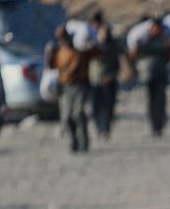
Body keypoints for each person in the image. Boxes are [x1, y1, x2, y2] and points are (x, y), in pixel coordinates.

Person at [48, 25, 93, 153]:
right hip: (65, 87)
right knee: (67, 117)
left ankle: (84, 142)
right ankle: (74, 141)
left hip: (79, 85)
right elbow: (52, 66)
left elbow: (75, 66)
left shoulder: (75, 50)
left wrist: (66, 71)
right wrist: (49, 55)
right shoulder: (59, 51)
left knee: (78, 113)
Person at [132, 18, 170, 136]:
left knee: (161, 101)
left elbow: (168, 58)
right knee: (151, 102)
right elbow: (134, 55)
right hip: (148, 76)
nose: (157, 30)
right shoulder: (143, 40)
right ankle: (154, 126)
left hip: (161, 75)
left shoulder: (164, 40)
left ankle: (160, 124)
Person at [89, 13, 121, 140]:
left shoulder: (112, 46)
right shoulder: (92, 44)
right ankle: (99, 128)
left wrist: (112, 76)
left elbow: (117, 63)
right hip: (95, 80)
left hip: (108, 80)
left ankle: (105, 128)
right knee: (96, 107)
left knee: (108, 107)